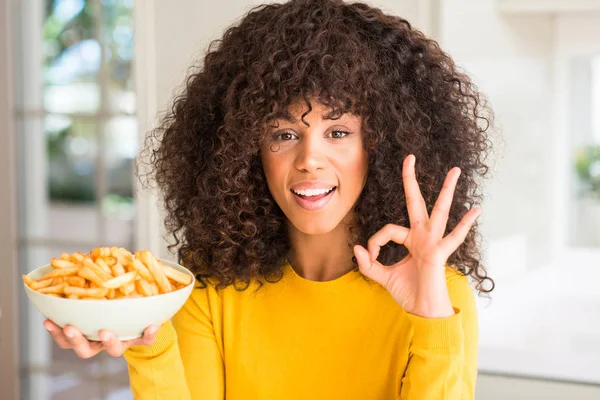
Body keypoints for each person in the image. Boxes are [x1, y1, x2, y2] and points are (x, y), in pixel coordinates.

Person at [44, 0, 495, 398]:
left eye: (338, 132)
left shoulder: (437, 292)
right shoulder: (213, 290)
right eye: (284, 134)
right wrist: (148, 346)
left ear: (379, 146)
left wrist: (430, 316)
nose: (309, 160)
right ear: (245, 151)